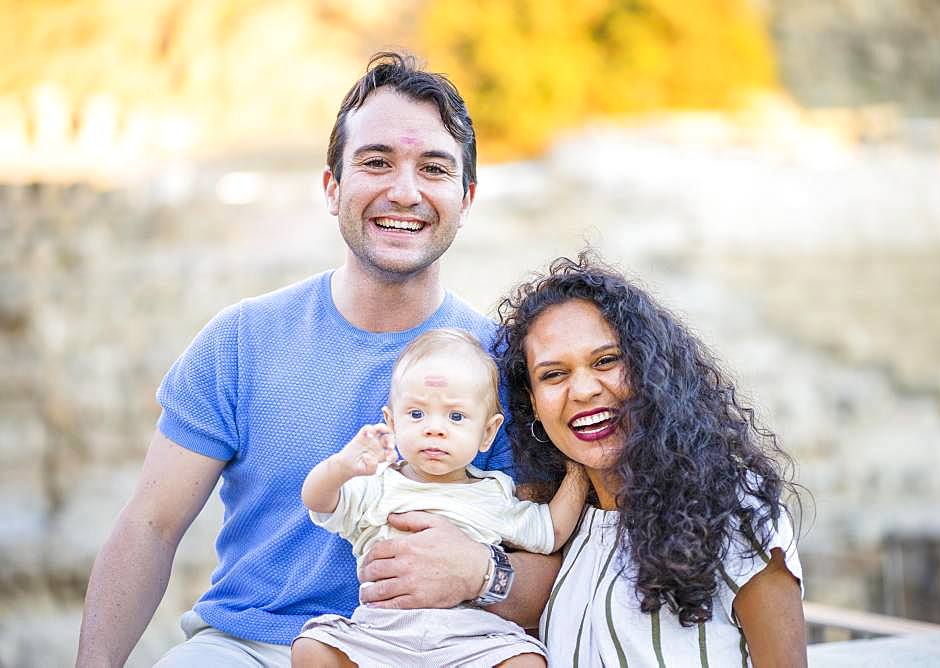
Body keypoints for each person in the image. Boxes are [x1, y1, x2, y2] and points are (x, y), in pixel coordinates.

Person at [76, 52, 559, 668]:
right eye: (376, 162)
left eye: (433, 169)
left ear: (466, 198)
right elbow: (151, 525)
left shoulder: (503, 369)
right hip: (248, 647)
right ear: (333, 187)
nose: (404, 191)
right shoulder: (240, 343)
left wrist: (484, 573)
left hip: (429, 652)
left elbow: (549, 556)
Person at [495, 253, 808, 667]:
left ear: (650, 369)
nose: (584, 389)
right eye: (554, 374)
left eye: (606, 361)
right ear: (533, 403)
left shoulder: (733, 515)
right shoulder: (553, 528)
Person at [292, 328, 588, 667]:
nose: (435, 428)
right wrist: (341, 467)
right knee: (312, 645)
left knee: (527, 660)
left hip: (468, 638)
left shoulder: (493, 493)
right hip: (381, 635)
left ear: (487, 432)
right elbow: (317, 501)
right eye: (416, 414)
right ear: (392, 421)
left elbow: (551, 530)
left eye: (456, 416)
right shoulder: (375, 485)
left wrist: (579, 467)